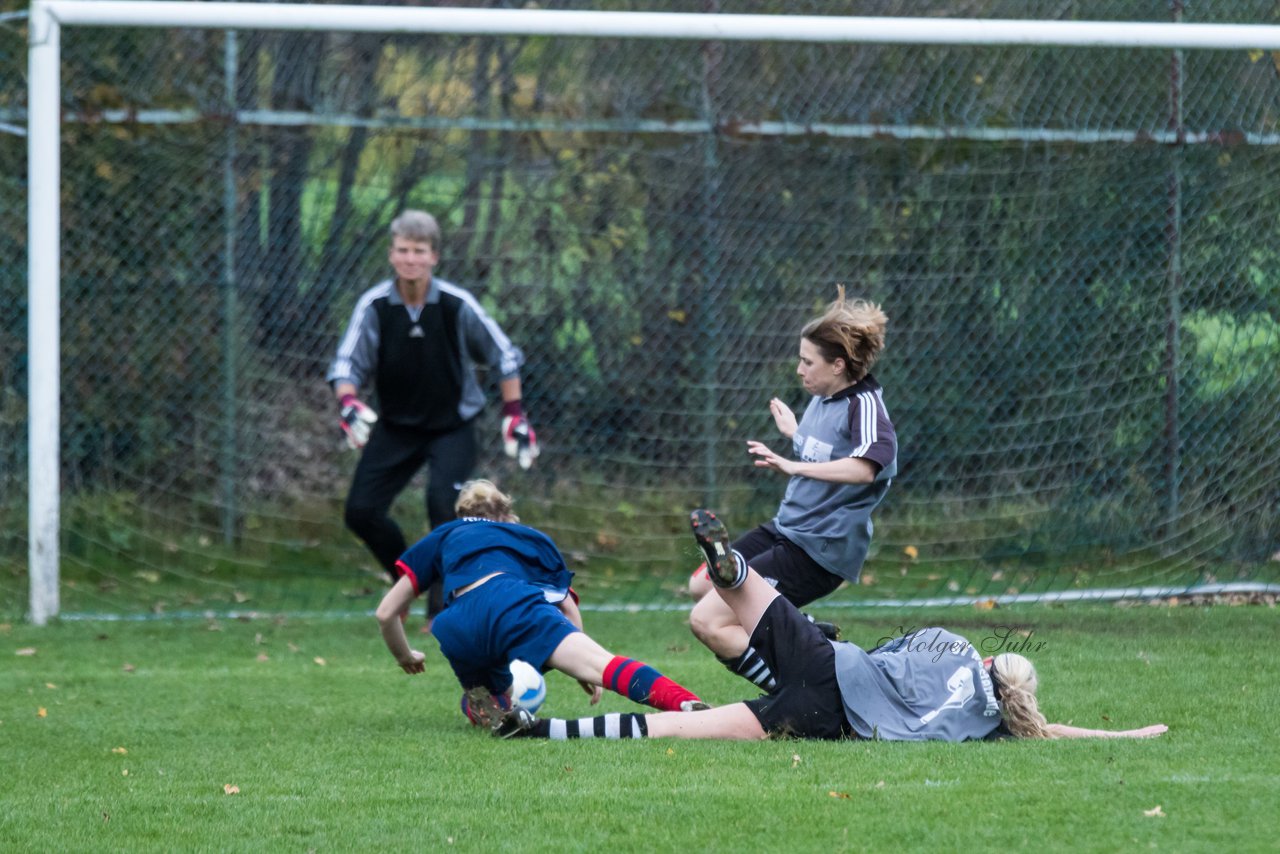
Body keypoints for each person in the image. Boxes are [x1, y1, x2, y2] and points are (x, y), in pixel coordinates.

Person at [495, 510, 1169, 742]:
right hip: (829, 723)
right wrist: (1133, 733)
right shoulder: (994, 725)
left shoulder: (956, 649)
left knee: (751, 601)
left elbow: (882, 654)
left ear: (994, 662)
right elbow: (1050, 731)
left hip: (831, 668)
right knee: (678, 729)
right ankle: (541, 731)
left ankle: (729, 565)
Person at [328, 210, 539, 622]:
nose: (410, 259)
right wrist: (348, 403)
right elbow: (345, 365)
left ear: (433, 257)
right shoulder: (374, 306)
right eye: (403, 250)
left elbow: (505, 355)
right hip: (395, 426)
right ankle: (406, 582)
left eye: (419, 251)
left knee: (446, 509)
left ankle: (443, 612)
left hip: (452, 427)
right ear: (391, 255)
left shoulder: (457, 305)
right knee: (361, 510)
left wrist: (514, 413)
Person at [688, 286, 895, 694]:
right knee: (700, 584)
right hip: (787, 530)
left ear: (838, 365)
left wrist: (792, 464)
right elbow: (824, 454)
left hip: (817, 551)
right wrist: (795, 434)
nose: (799, 370)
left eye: (807, 361)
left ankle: (802, 690)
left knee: (708, 622)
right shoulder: (822, 398)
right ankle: (805, 634)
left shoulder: (865, 405)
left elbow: (867, 468)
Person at [374, 480, 707, 728]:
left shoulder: (446, 533)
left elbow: (386, 613)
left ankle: (491, 704)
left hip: (457, 627)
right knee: (601, 664)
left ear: (463, 515)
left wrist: (406, 656)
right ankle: (688, 705)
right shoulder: (529, 536)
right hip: (511, 603)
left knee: (488, 692)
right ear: (507, 514)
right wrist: (581, 668)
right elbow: (565, 606)